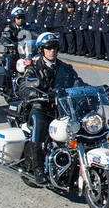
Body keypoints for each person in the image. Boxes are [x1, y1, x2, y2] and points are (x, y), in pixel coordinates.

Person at [19, 31, 86, 184]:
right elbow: (24, 86)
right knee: (39, 128)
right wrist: (32, 93)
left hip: (61, 108)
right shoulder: (34, 67)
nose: (52, 51)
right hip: (40, 107)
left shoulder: (65, 67)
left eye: (54, 47)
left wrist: (92, 89)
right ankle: (38, 169)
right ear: (41, 50)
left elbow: (77, 82)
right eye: (48, 48)